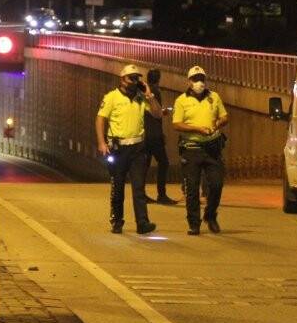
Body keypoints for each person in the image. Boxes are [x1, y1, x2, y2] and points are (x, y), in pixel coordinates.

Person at [95, 64, 162, 234]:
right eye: (131, 78)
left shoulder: (141, 97)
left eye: (137, 78)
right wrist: (102, 142)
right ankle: (117, 221)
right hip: (118, 149)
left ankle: (143, 223)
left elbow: (157, 114)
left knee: (139, 188)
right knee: (118, 187)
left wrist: (149, 95)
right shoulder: (112, 97)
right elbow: (100, 119)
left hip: (138, 148)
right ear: (122, 79)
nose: (135, 81)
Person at [172, 65, 228, 235]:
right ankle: (193, 222)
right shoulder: (181, 100)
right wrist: (197, 129)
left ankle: (210, 215)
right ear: (189, 81)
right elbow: (176, 123)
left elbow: (224, 116)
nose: (199, 83)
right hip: (191, 148)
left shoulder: (214, 97)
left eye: (201, 79)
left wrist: (217, 124)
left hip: (212, 148)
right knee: (192, 187)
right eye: (195, 79)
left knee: (217, 184)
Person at [141, 69, 178, 205]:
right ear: (158, 78)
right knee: (164, 163)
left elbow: (149, 111)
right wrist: (164, 113)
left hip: (145, 134)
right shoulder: (155, 91)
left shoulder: (144, 90)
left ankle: (142, 194)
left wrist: (163, 111)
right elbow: (156, 112)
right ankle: (161, 194)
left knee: (144, 165)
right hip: (154, 134)